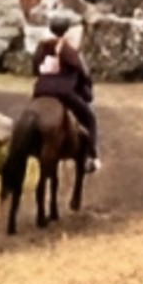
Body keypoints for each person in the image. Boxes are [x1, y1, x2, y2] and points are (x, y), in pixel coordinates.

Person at [33, 16, 99, 175]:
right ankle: (91, 156)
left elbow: (35, 67)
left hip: (41, 90)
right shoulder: (69, 50)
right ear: (66, 30)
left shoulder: (42, 47)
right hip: (63, 92)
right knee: (89, 118)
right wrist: (87, 87)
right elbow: (82, 72)